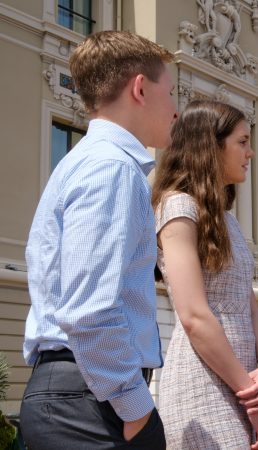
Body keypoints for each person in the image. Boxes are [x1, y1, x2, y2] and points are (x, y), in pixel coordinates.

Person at [20, 31, 177, 448]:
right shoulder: (113, 168)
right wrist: (135, 406)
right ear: (140, 88)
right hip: (92, 401)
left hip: (78, 392)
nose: (176, 109)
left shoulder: (80, 163)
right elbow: (89, 310)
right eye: (172, 92)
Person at [151, 100, 258, 449]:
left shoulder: (228, 219)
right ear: (210, 144)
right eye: (242, 141)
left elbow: (249, 304)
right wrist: (251, 393)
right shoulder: (178, 206)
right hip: (202, 379)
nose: (250, 152)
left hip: (242, 380)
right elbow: (193, 315)